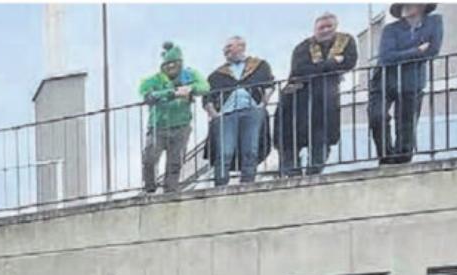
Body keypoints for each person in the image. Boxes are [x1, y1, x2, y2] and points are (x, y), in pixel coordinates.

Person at [278, 13, 358, 176]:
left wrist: (319, 68)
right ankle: (293, 175)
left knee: (321, 141)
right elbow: (299, 71)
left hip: (326, 101)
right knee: (290, 142)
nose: (326, 30)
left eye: (330, 26)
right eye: (322, 27)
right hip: (297, 101)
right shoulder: (303, 47)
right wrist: (332, 63)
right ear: (315, 29)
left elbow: (349, 62)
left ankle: (314, 174)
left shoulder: (346, 41)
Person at [371, 3, 443, 165]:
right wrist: (416, 51)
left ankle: (402, 160)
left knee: (407, 123)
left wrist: (404, 54)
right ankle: (386, 157)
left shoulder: (434, 22)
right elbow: (386, 57)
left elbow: (433, 51)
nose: (406, 7)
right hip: (384, 80)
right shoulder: (391, 29)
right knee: (377, 116)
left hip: (412, 80)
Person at [204, 36, 275, 187]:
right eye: (225, 48)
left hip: (252, 111)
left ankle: (247, 183)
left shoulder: (260, 66)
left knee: (251, 150)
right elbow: (207, 98)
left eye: (230, 46)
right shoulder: (216, 75)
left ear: (241, 46)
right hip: (226, 115)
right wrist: (215, 115)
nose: (226, 50)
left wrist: (262, 104)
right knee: (224, 152)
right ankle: (220, 185)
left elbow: (270, 85)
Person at [140, 41, 208, 194]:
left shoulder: (190, 75)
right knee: (149, 159)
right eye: (167, 64)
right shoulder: (155, 79)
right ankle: (149, 188)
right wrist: (172, 93)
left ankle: (170, 190)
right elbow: (146, 95)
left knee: (175, 162)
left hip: (181, 125)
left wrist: (191, 88)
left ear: (180, 63)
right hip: (158, 126)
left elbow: (205, 87)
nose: (171, 66)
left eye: (174, 63)